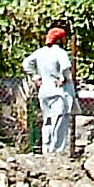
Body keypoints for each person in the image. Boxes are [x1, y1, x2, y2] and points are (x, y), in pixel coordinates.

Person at [22, 25, 76, 158]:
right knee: (60, 119)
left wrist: (36, 77)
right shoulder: (60, 53)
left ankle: (46, 149)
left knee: (48, 120)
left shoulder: (40, 52)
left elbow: (26, 64)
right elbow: (66, 70)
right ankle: (56, 151)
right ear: (60, 40)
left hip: (44, 91)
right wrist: (64, 79)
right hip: (58, 91)